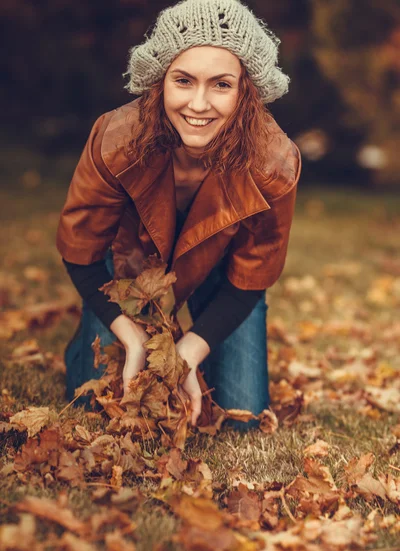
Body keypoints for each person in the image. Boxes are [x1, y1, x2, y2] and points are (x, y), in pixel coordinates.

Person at [56, 0, 301, 432]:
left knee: (241, 416)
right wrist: (129, 337)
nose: (199, 104)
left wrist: (186, 354)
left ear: (246, 90)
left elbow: (254, 274)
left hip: (223, 275)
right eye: (183, 80)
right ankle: (90, 340)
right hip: (127, 266)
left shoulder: (274, 164)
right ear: (160, 81)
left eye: (222, 84)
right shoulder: (116, 139)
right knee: (94, 410)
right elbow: (81, 250)